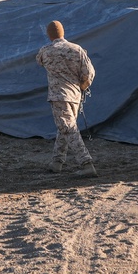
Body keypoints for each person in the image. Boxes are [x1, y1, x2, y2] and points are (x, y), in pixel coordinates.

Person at [36, 20, 96, 174]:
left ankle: (86, 163)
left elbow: (39, 62)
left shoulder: (45, 51)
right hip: (75, 96)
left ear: (49, 35)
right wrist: (81, 87)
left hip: (58, 96)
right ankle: (57, 162)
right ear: (63, 32)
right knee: (65, 129)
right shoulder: (77, 49)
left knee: (68, 128)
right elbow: (89, 74)